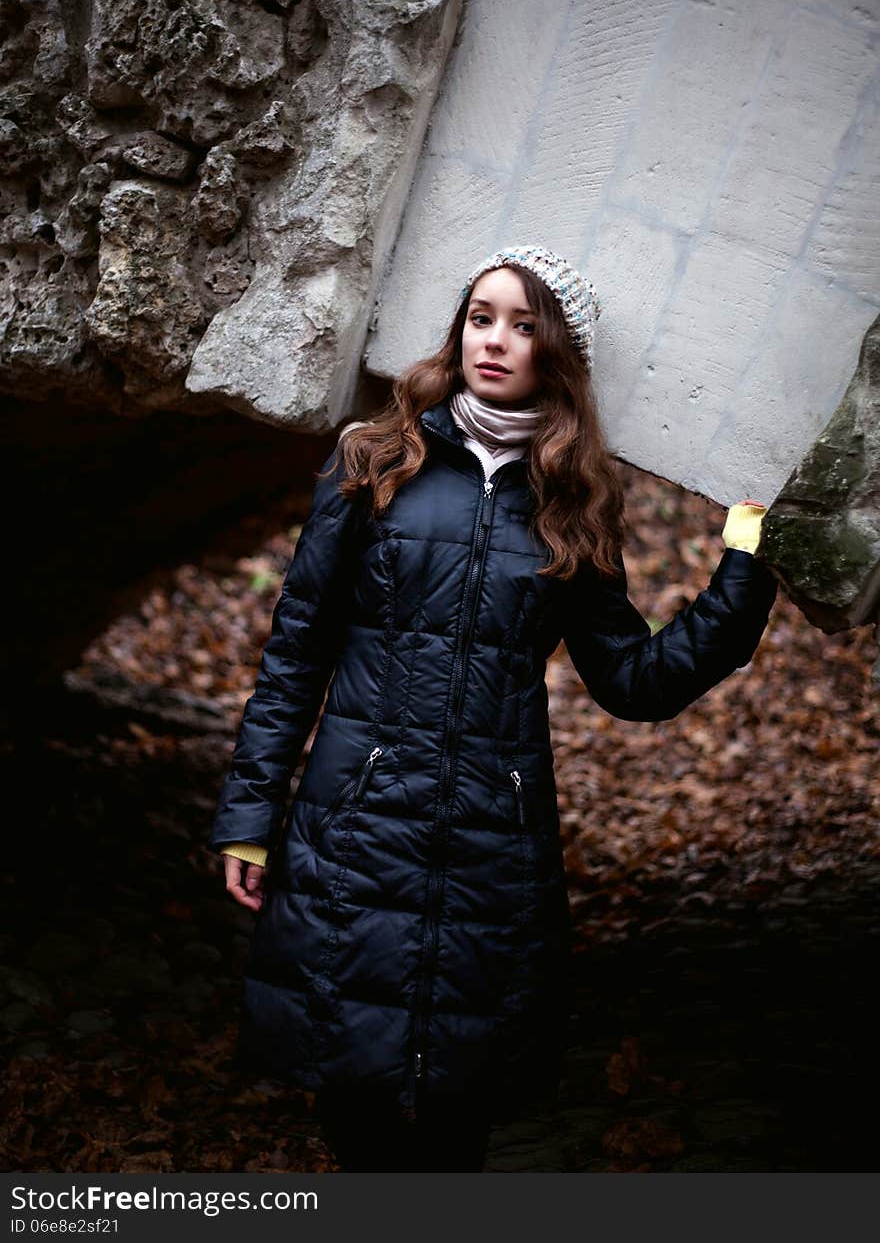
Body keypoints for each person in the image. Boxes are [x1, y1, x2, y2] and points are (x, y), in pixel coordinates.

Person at [207, 243, 777, 1172]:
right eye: (481, 316)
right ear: (457, 330)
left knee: (456, 1115)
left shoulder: (572, 502)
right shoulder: (374, 460)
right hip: (355, 828)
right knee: (353, 1095)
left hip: (489, 847)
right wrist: (248, 819)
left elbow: (635, 681)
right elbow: (296, 654)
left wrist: (745, 572)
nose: (496, 340)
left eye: (523, 324)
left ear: (556, 354)